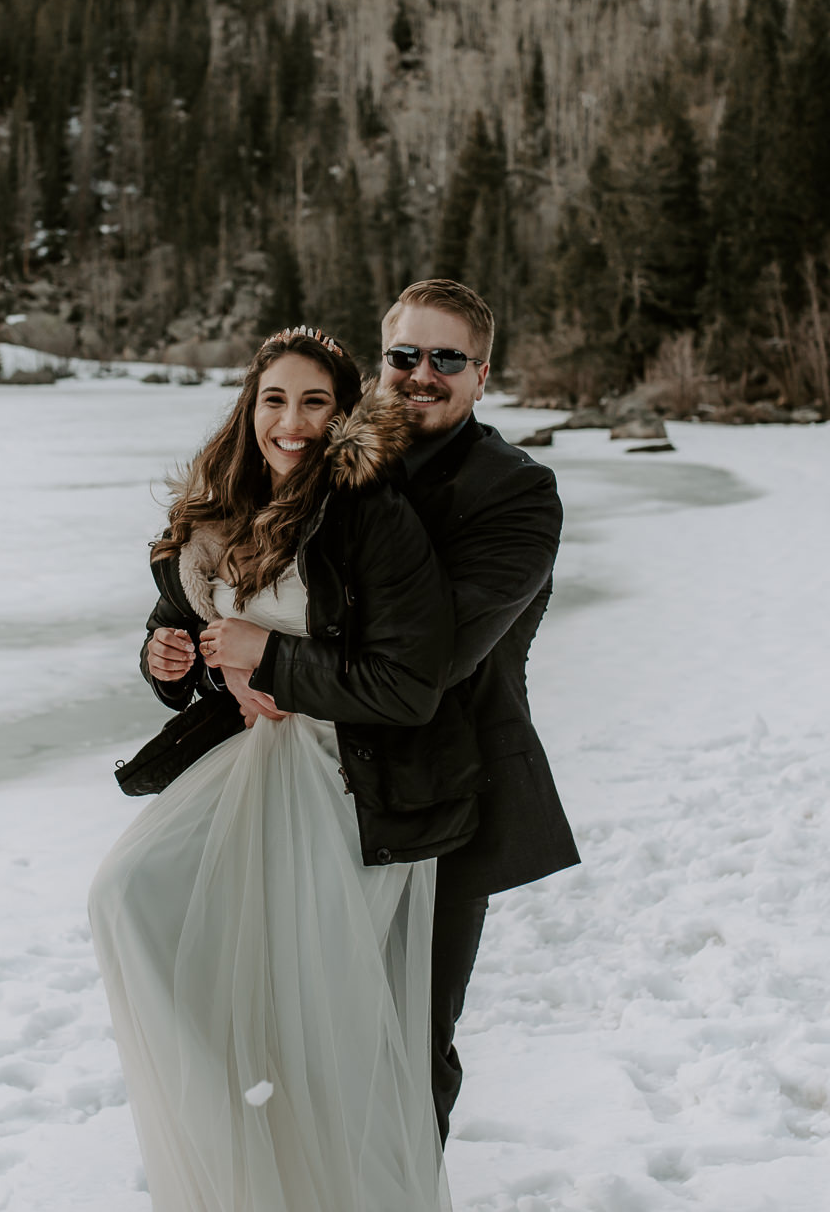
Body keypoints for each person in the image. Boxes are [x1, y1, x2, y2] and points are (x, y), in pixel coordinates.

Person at [89, 326, 470, 1211]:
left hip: (348, 779)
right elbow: (183, 627)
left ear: (342, 415)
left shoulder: (368, 511)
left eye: (313, 402)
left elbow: (410, 684)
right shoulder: (221, 509)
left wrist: (267, 658)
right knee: (127, 897)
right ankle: (245, 1174)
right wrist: (166, 662)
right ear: (248, 408)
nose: (291, 422)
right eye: (274, 400)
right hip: (251, 767)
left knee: (318, 1025)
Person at [199, 279, 581, 1141]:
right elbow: (227, 555)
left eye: (447, 358)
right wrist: (189, 650)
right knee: (290, 1027)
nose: (421, 373)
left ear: (483, 374)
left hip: (443, 795)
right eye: (404, 354)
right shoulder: (326, 451)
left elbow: (425, 667)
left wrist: (270, 659)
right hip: (311, 783)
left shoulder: (516, 492)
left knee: (405, 1043)